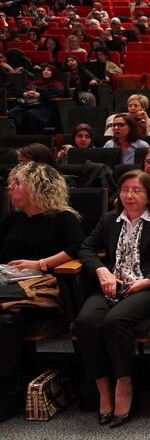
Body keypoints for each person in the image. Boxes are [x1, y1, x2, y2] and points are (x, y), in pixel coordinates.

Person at [73, 170, 150, 428]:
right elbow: (86, 248)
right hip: (112, 283)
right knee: (86, 322)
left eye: (136, 190)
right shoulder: (109, 219)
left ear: (149, 195)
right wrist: (101, 270)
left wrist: (148, 281)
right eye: (124, 190)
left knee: (115, 321)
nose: (129, 195)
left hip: (146, 287)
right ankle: (103, 386)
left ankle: (124, 382)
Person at [0, 162, 85, 421]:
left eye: (17, 183)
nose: (10, 187)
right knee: (5, 313)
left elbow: (77, 248)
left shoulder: (63, 218)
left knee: (5, 318)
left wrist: (39, 264)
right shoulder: (12, 218)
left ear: (36, 187)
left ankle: (7, 391)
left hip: (43, 287)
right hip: (10, 284)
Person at [8, 63, 66, 134]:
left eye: (48, 70)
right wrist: (25, 93)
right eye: (44, 70)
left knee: (30, 114)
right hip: (27, 104)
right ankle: (16, 135)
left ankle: (32, 137)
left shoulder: (57, 84)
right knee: (13, 113)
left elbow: (58, 93)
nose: (45, 71)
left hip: (44, 106)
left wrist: (39, 95)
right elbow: (24, 90)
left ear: (53, 73)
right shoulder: (36, 82)